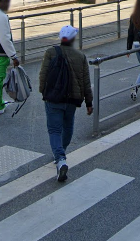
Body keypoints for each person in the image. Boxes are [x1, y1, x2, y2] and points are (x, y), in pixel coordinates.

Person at [39, 25, 92, 182]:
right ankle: (60, 153)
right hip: (72, 99)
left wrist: (43, 91)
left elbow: (43, 74)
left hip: (53, 97)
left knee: (54, 129)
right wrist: (89, 102)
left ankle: (60, 157)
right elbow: (85, 82)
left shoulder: (50, 52)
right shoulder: (80, 56)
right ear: (73, 39)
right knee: (68, 128)